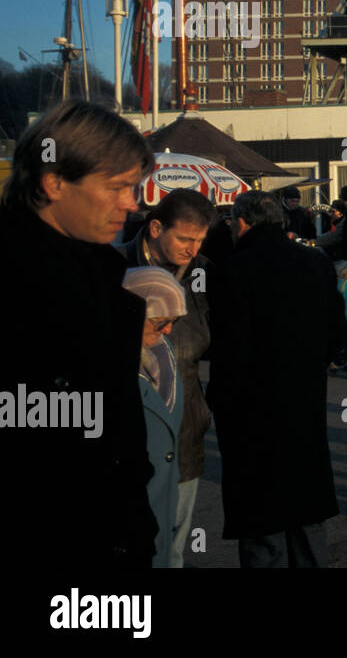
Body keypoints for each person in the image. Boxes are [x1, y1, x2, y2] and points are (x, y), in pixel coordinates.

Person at [0, 99, 158, 567]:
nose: (132, 204)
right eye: (117, 187)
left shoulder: (98, 272)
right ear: (54, 183)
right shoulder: (21, 284)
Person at [207, 190, 347, 568]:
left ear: (242, 222)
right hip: (303, 401)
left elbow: (228, 348)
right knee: (305, 510)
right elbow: (339, 332)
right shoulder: (314, 263)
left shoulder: (235, 270)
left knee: (262, 515)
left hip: (251, 409)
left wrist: (220, 402)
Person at [114, 187, 217, 568]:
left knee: (173, 546)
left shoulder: (205, 273)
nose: (193, 249)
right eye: (185, 239)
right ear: (156, 227)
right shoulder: (114, 266)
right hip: (126, 431)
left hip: (185, 425)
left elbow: (216, 341)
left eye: (200, 240)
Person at [122, 266, 188, 569]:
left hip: (163, 497)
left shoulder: (164, 352)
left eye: (173, 322)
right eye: (160, 322)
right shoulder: (102, 362)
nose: (168, 330)